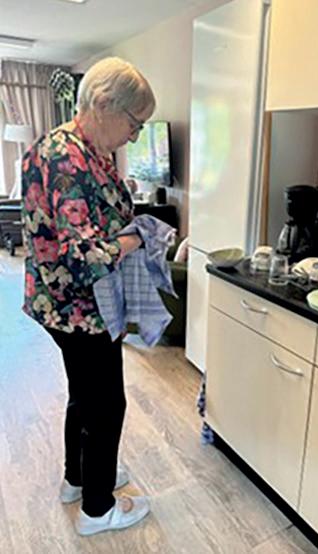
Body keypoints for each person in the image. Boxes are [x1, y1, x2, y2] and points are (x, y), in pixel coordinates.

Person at [21, 57, 156, 536]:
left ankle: (77, 479)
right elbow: (84, 257)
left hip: (64, 303)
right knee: (106, 404)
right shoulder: (69, 159)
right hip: (81, 306)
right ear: (103, 103)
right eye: (134, 123)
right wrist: (136, 238)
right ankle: (98, 510)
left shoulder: (77, 148)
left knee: (85, 394)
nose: (135, 136)